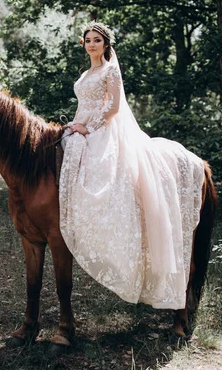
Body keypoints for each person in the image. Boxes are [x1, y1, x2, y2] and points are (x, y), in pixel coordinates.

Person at [59, 22, 205, 309]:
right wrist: (75, 126)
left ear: (105, 44)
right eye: (87, 40)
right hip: (84, 125)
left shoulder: (110, 70)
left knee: (106, 180)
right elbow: (83, 106)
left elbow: (112, 107)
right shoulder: (86, 73)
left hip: (105, 130)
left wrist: (89, 128)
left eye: (97, 40)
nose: (91, 44)